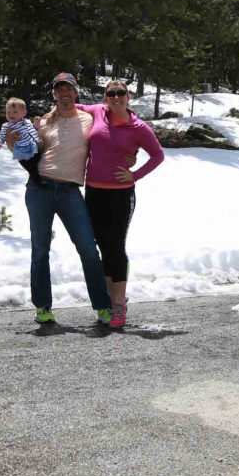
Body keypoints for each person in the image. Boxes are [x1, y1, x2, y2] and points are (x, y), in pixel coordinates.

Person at [8, 73, 111, 325]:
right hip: (39, 189)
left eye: (69, 89)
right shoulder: (44, 121)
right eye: (59, 90)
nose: (64, 94)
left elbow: (110, 137)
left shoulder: (88, 119)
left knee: (88, 247)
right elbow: (32, 154)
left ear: (75, 92)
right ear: (54, 94)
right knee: (40, 249)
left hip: (69, 192)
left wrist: (129, 157)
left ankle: (103, 306)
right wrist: (14, 146)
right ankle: (43, 307)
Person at [75, 80, 165, 329]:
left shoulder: (138, 127)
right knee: (101, 245)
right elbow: (71, 105)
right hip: (93, 192)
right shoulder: (97, 112)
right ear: (105, 97)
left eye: (121, 93)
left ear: (128, 97)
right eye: (111, 93)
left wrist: (134, 175)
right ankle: (106, 300)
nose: (116, 97)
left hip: (121, 195)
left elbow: (158, 155)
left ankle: (119, 302)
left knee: (115, 246)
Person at [0, 97, 42, 185]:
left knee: (38, 161)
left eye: (14, 112)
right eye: (8, 112)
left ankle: (36, 179)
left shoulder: (27, 122)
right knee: (31, 167)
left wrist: (36, 124)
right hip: (21, 151)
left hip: (33, 146)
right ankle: (37, 183)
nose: (10, 114)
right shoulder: (6, 126)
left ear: (24, 113)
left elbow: (32, 130)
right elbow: (1, 136)